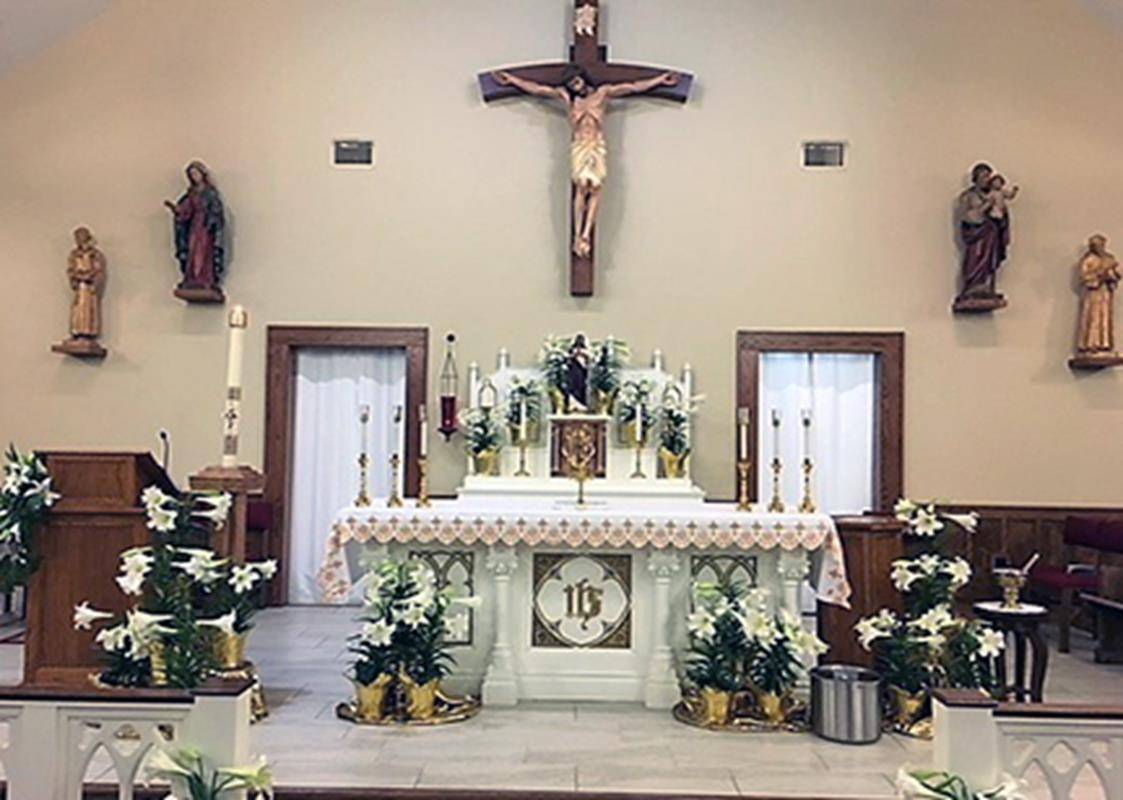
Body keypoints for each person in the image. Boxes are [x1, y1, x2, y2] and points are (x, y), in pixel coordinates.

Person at [494, 66, 678, 258]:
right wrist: (513, 80)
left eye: (576, 81)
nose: (575, 86)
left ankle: (586, 233)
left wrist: (659, 80)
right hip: (580, 145)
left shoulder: (602, 94)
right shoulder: (568, 98)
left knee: (596, 188)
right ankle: (577, 235)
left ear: (583, 78)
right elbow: (539, 89)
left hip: (596, 145)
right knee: (581, 187)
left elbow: (633, 87)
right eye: (571, 84)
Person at [164, 161, 225, 289]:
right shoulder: (191, 193)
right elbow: (186, 211)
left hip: (205, 227)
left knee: (204, 254)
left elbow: (216, 211)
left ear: (202, 174)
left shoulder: (210, 193)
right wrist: (177, 210)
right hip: (194, 227)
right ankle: (192, 278)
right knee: (192, 252)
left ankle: (206, 279)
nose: (194, 177)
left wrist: (211, 221)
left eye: (196, 173)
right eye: (191, 174)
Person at [1076, 234, 1120, 355]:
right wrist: (1099, 275)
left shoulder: (1109, 259)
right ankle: (1090, 345)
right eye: (1096, 246)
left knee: (1104, 319)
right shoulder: (1088, 261)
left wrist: (1112, 275)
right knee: (1092, 318)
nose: (1099, 248)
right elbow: (1085, 278)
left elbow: (1115, 274)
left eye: (1101, 245)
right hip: (1092, 295)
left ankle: (1104, 345)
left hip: (1105, 293)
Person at [66, 227, 106, 340]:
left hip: (89, 287)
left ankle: (88, 332)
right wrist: (76, 276)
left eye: (81, 237)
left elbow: (98, 270)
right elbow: (71, 269)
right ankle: (77, 332)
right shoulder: (74, 254)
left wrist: (90, 276)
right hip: (79, 286)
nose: (79, 240)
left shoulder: (95, 254)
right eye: (77, 238)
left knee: (89, 309)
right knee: (78, 308)